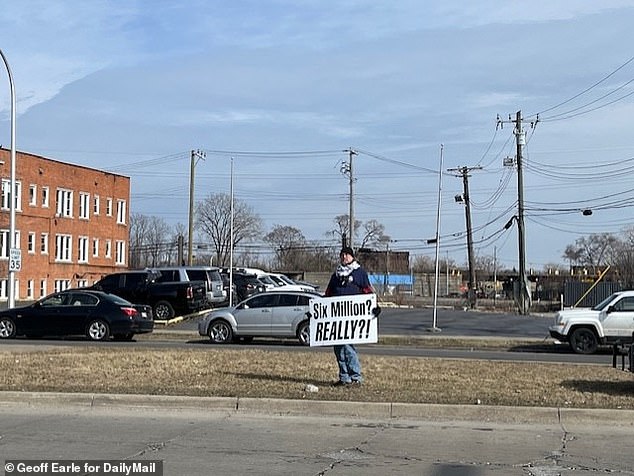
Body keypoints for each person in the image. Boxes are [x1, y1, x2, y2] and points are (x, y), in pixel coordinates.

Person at [324, 246, 375, 386]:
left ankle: (356, 377)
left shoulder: (360, 273)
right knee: (338, 348)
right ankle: (344, 377)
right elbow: (328, 294)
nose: (344, 257)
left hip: (352, 319)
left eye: (347, 255)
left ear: (352, 257)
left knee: (348, 347)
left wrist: (374, 307)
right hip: (337, 318)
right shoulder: (335, 275)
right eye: (342, 255)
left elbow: (368, 292)